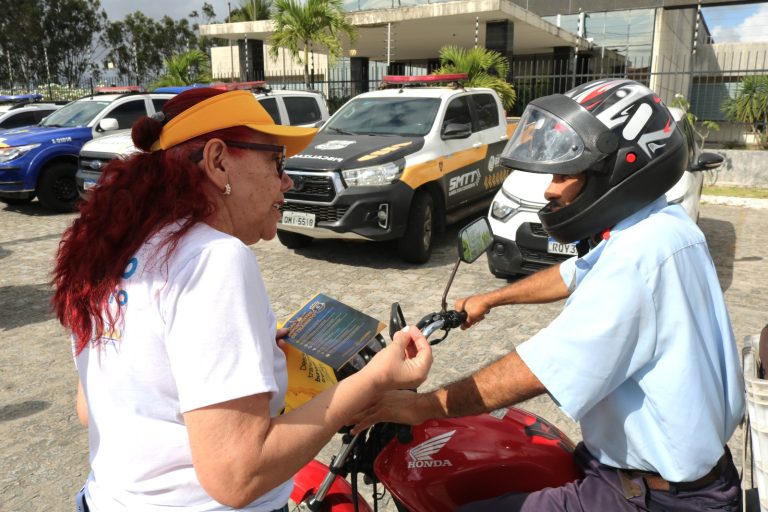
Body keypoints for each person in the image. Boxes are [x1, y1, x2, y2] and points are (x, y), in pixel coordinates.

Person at [352, 79, 745, 511]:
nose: (549, 190)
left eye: (564, 175)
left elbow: (539, 369)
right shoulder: (662, 225)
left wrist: (423, 407)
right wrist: (493, 298)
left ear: (619, 168)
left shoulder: (637, 257)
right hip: (644, 473)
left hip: (655, 498)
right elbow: (575, 271)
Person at [52, 88, 432, 512]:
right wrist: (374, 379)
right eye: (277, 161)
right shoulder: (214, 257)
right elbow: (238, 477)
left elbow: (92, 407)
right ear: (218, 161)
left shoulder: (115, 248)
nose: (287, 181)